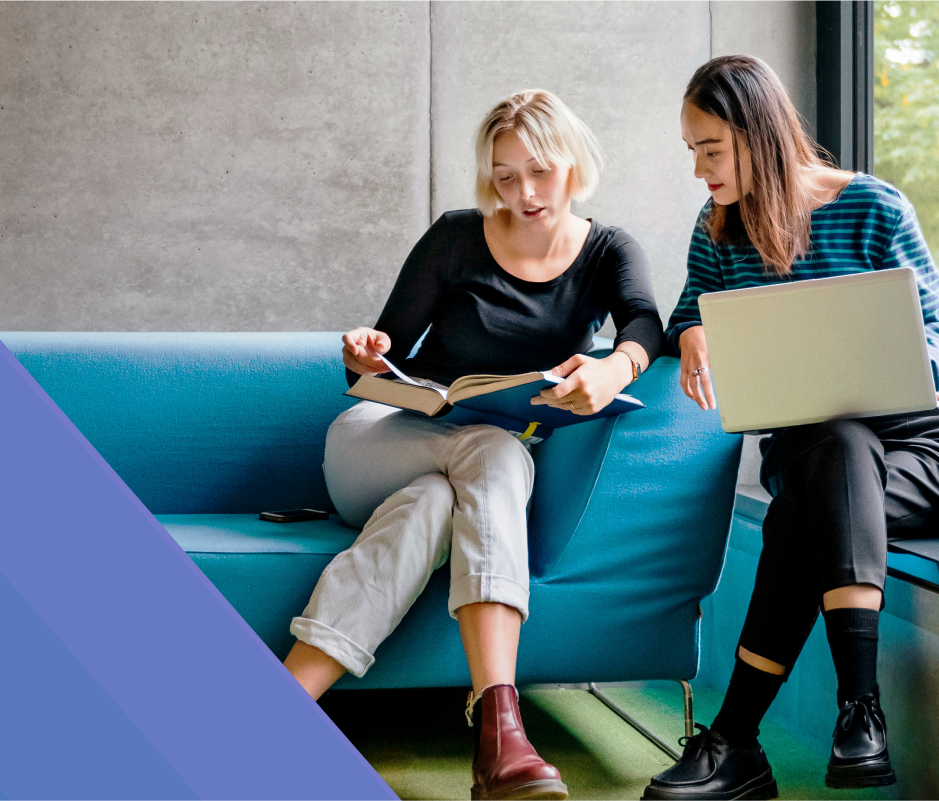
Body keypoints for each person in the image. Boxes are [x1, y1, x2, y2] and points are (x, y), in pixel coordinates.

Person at [282, 89, 664, 801]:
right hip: (379, 445)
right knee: (495, 451)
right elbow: (383, 352)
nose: (522, 192)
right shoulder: (455, 235)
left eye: (539, 171)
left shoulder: (609, 249)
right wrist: (367, 353)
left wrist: (615, 366)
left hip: (458, 473)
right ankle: (501, 733)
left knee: (433, 503)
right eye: (504, 174)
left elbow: (645, 321)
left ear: (573, 163)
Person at [644, 56, 939, 800]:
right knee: (831, 446)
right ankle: (857, 712)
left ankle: (735, 743)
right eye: (692, 152)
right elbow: (682, 315)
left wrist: (915, 364)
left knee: (825, 475)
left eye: (709, 149)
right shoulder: (718, 228)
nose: (699, 169)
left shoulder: (874, 207)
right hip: (814, 460)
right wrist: (691, 329)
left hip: (918, 452)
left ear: (755, 134)